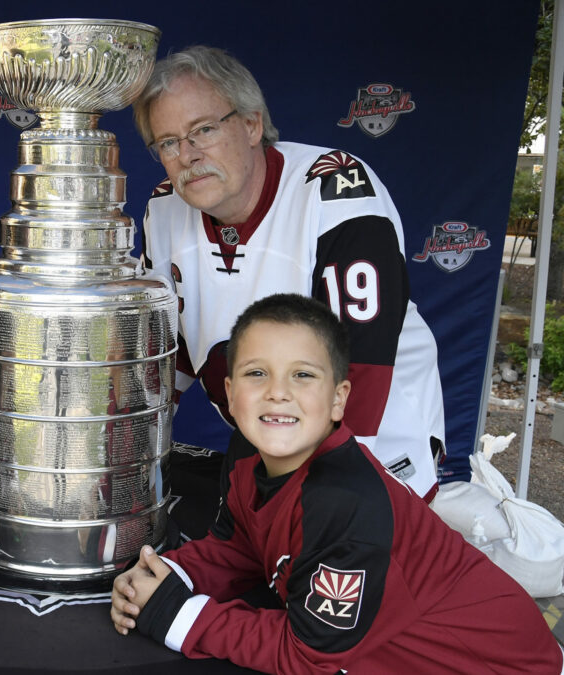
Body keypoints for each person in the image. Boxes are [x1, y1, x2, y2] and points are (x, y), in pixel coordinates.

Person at [110, 293, 563, 674]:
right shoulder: (248, 453)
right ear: (229, 393)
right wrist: (167, 576)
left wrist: (172, 612)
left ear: (338, 399)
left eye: (303, 375)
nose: (278, 392)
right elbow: (238, 546)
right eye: (256, 373)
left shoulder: (347, 502)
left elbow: (308, 656)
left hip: (496, 665)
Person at [133, 46, 445, 500]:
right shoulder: (162, 209)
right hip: (270, 446)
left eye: (203, 130)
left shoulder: (337, 190)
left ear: (251, 124)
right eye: (167, 142)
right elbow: (165, 353)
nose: (187, 155)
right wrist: (126, 447)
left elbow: (362, 370)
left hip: (375, 449)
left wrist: (308, 501)